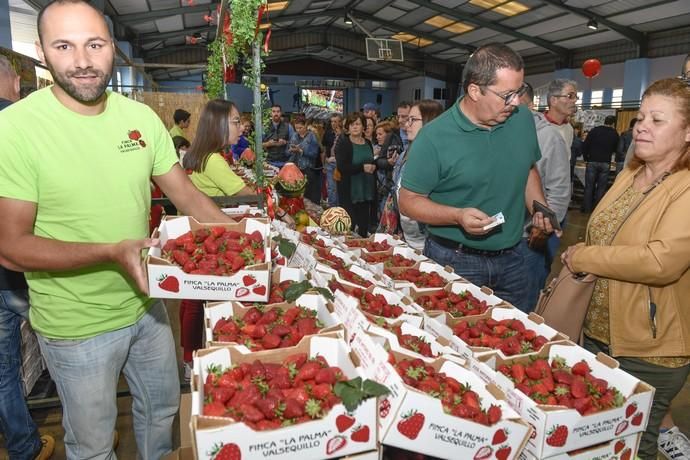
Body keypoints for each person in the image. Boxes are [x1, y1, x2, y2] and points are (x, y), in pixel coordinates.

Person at [0, 1, 237, 457]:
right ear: (40, 51)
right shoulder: (15, 129)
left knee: (163, 415)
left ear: (112, 48)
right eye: (64, 46)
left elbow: (187, 195)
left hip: (148, 308)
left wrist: (247, 240)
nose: (83, 61)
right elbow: (10, 247)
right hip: (76, 325)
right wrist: (111, 251)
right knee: (92, 444)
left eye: (95, 44)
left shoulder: (140, 119)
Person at [561, 78, 690, 460]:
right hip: (601, 334)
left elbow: (660, 261)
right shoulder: (632, 174)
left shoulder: (685, 187)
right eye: (642, 117)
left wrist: (583, 257)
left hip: (649, 346)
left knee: (635, 444)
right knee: (603, 441)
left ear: (687, 133)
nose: (642, 126)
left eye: (657, 120)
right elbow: (603, 233)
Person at [398, 43, 554, 310]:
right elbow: (408, 200)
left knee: (512, 338)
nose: (515, 102)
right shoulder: (434, 137)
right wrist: (457, 215)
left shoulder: (522, 121)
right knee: (452, 338)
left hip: (515, 258)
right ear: (474, 90)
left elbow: (527, 167)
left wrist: (538, 206)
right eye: (507, 95)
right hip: (455, 260)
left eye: (519, 91)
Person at [0, 54, 55, 460]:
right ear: (13, 82)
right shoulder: (30, 126)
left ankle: (23, 447)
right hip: (34, 269)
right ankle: (90, 437)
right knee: (71, 356)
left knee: (2, 369)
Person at [515, 82, 571, 312]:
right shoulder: (497, 131)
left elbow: (558, 191)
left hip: (528, 238)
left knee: (523, 302)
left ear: (529, 105)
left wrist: (542, 228)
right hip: (498, 237)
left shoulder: (548, 138)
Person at [380, 100, 444, 250]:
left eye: (413, 120)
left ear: (430, 121)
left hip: (430, 243)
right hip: (407, 240)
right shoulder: (405, 154)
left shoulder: (440, 158)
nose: (406, 124)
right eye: (407, 119)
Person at [335, 112, 376, 236]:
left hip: (366, 188)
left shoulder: (368, 143)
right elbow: (342, 167)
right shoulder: (344, 143)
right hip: (350, 190)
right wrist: (362, 168)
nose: (354, 127)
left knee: (364, 225)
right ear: (347, 127)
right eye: (351, 124)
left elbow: (370, 161)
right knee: (350, 225)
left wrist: (375, 165)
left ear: (364, 127)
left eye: (357, 124)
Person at [582, 115, 619, 212]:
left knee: (589, 186)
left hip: (592, 161)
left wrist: (586, 158)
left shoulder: (594, 131)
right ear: (613, 123)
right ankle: (597, 210)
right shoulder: (614, 133)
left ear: (604, 121)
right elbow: (616, 149)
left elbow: (585, 145)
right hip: (605, 162)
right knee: (601, 188)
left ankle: (586, 209)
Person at [289, 116, 321, 203]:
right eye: (296, 128)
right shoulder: (294, 135)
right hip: (296, 168)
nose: (298, 130)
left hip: (309, 168)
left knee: (309, 195)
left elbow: (314, 154)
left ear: (306, 126)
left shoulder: (312, 136)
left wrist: (301, 151)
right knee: (297, 194)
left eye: (300, 127)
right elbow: (288, 151)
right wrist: (291, 150)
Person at [544, 79, 578, 149]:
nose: (575, 100)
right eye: (570, 96)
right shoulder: (537, 127)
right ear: (554, 100)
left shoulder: (569, 128)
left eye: (575, 97)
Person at [323, 113, 343, 207]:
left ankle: (340, 208)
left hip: (341, 164)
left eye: (335, 121)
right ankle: (332, 208)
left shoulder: (345, 134)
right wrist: (324, 163)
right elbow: (324, 149)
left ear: (340, 122)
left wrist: (341, 135)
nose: (333, 124)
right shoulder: (327, 134)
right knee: (331, 187)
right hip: (330, 163)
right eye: (332, 121)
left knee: (340, 188)